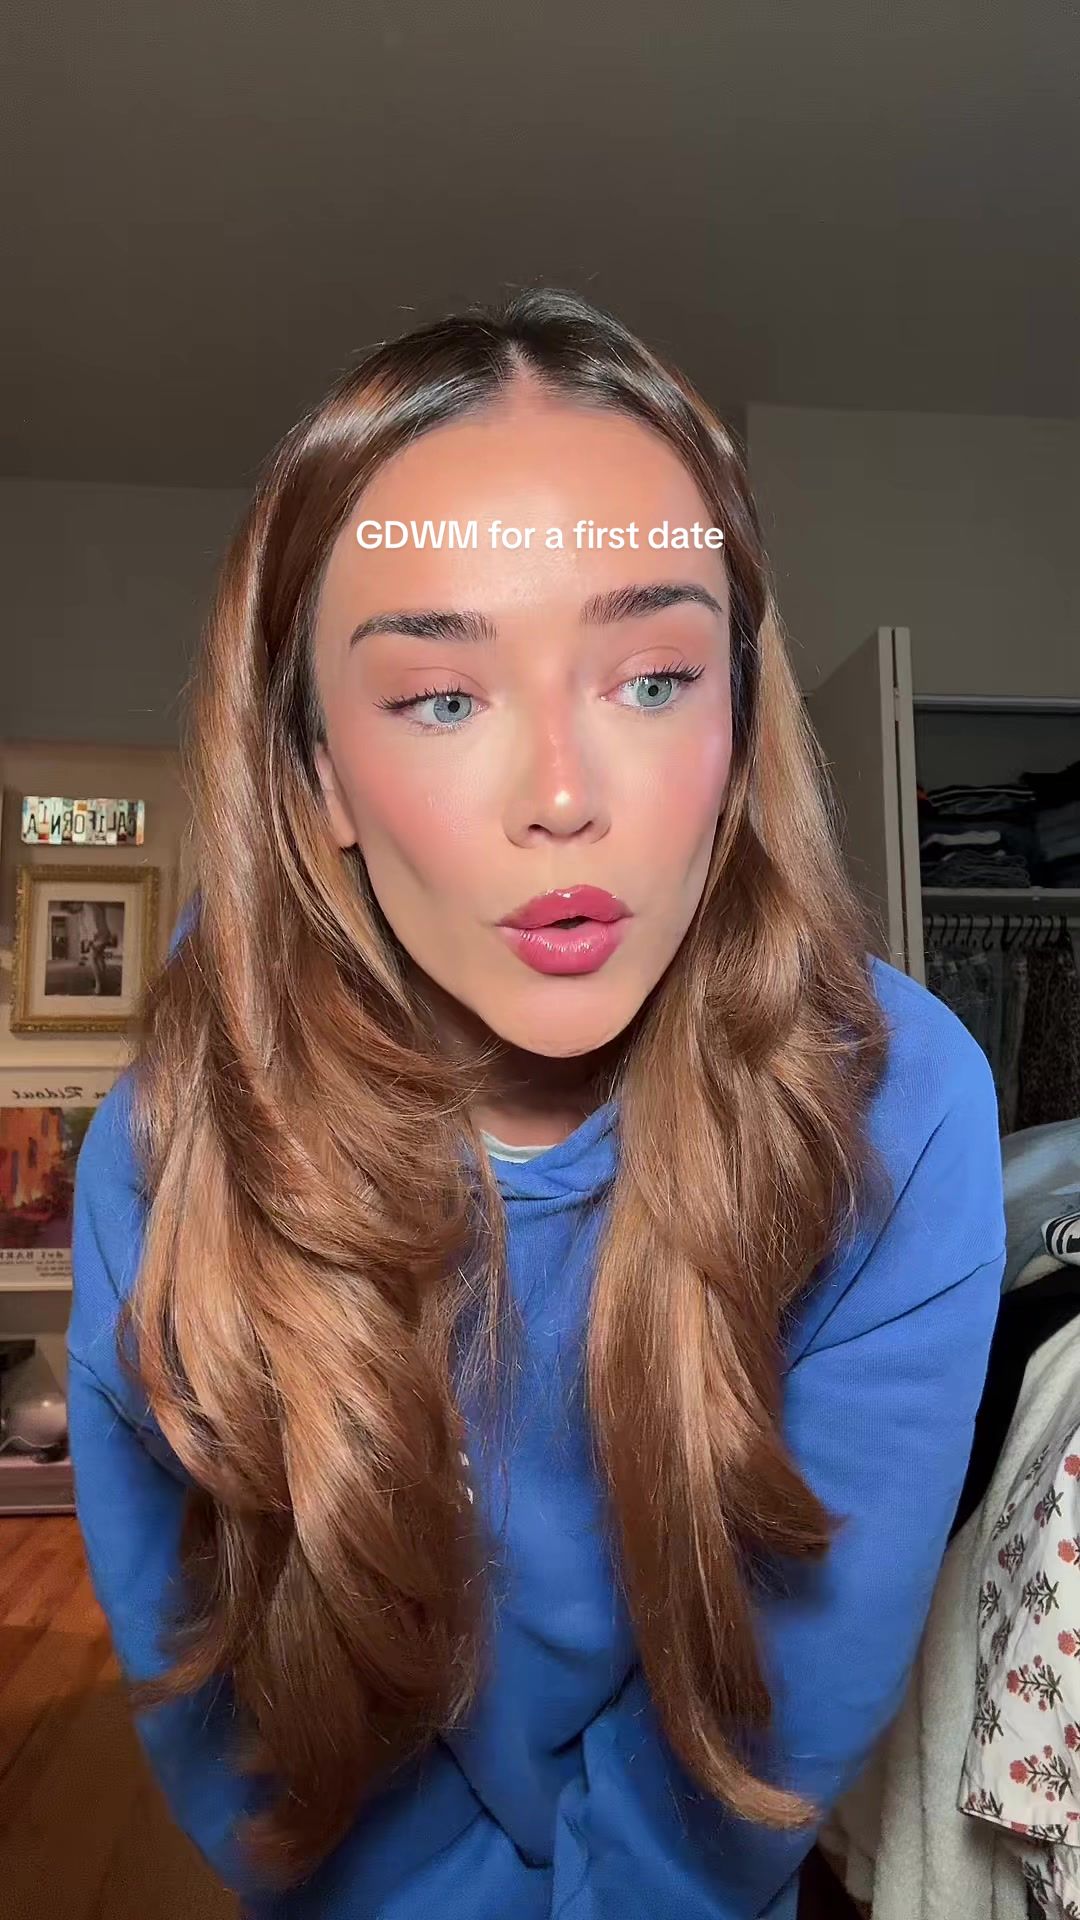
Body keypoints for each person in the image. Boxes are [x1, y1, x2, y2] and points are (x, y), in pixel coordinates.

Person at [67, 289, 1005, 1920]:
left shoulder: (898, 1115)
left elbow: (768, 1725)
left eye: (652, 678)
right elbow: (251, 1734)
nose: (565, 795)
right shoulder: (171, 1154)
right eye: (442, 698)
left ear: (738, 720)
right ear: (317, 774)